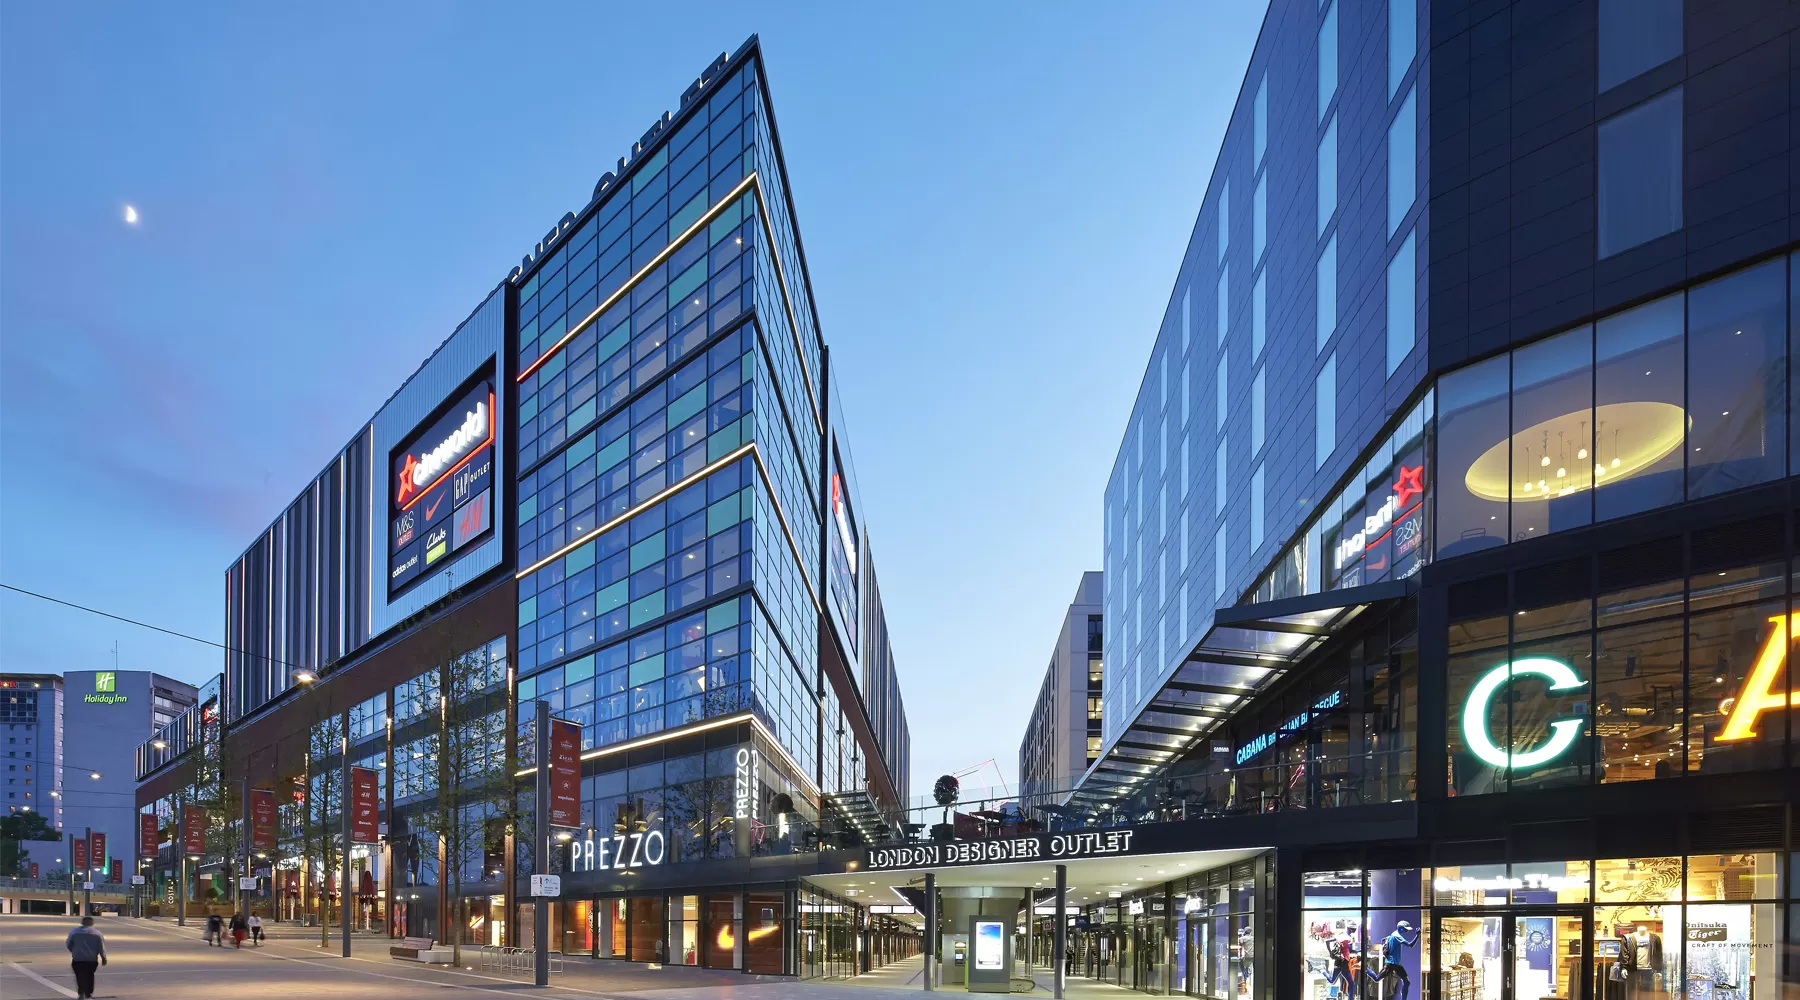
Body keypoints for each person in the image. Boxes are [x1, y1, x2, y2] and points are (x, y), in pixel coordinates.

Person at [66, 915, 106, 999]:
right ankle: (88, 993)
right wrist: (103, 957)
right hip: (91, 959)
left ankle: (81, 992)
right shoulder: (97, 933)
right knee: (90, 975)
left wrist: (74, 951)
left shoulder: (74, 932)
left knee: (79, 975)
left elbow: (69, 944)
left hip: (78, 958)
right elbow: (101, 947)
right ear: (92, 923)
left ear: (82, 923)